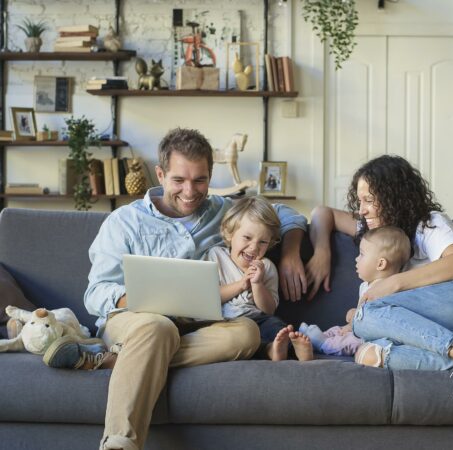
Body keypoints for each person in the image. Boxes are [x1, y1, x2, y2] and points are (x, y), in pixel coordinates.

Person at [42, 128, 308, 450]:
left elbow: (285, 215)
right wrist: (146, 300)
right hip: (137, 322)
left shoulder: (224, 211)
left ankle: (118, 360)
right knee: (158, 326)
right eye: (179, 180)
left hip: (198, 327)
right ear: (161, 174)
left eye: (200, 180)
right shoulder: (123, 222)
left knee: (247, 334)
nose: (190, 191)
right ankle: (119, 443)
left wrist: (292, 253)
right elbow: (96, 293)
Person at [306, 155, 453, 399]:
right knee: (369, 352)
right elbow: (322, 213)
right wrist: (321, 253)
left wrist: (392, 284)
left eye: (369, 200)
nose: (361, 210)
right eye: (360, 201)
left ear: (394, 198)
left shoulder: (428, 224)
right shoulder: (373, 231)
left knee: (365, 314)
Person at [206, 196, 313, 361]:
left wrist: (257, 284)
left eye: (262, 241)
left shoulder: (267, 266)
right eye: (247, 238)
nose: (254, 247)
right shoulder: (216, 256)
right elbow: (210, 297)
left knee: (277, 327)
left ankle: (293, 351)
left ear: (270, 243)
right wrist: (241, 285)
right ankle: (271, 350)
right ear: (229, 234)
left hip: (258, 318)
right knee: (240, 337)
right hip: (224, 321)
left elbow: (268, 309)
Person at [300, 226, 410, 357]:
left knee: (351, 341)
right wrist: (351, 322)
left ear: (380, 264)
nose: (356, 259)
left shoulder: (385, 291)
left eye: (362, 254)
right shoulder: (365, 285)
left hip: (371, 338)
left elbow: (374, 322)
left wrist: (354, 318)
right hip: (359, 329)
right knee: (338, 329)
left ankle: (324, 344)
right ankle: (317, 337)